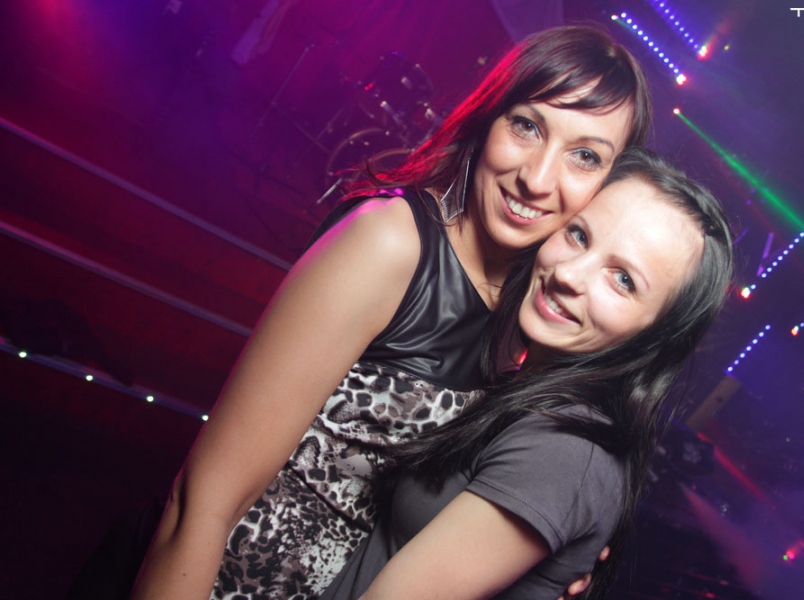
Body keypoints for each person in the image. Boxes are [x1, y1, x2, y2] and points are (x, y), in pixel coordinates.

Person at [126, 25, 651, 600]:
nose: (538, 178)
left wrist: (551, 558)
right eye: (527, 125)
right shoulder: (389, 243)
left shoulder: (536, 314)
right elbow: (200, 504)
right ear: (490, 118)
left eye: (585, 156)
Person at [320, 147, 735, 599]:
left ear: (655, 336)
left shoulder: (566, 452)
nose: (569, 275)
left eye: (623, 280)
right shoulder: (524, 391)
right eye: (579, 235)